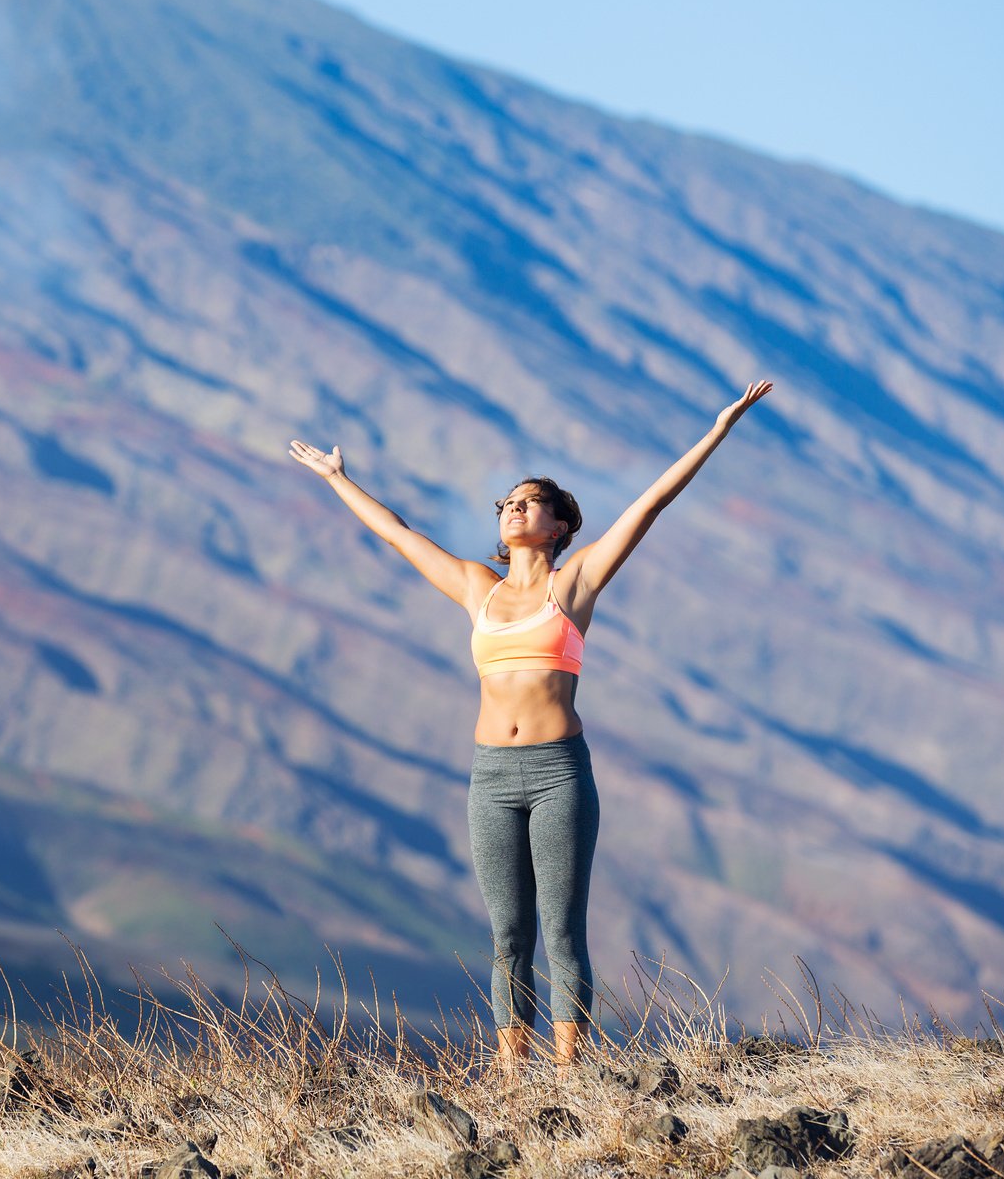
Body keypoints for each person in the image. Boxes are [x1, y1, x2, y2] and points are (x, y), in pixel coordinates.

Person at [288, 379, 773, 1080]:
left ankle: (571, 1074)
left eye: (529, 501)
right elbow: (396, 533)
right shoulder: (474, 586)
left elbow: (653, 502)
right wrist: (339, 479)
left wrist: (720, 426)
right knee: (508, 934)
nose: (513, 507)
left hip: (557, 774)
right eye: (506, 502)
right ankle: (515, 1078)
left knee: (562, 931)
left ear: (560, 525)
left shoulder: (573, 585)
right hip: (490, 777)